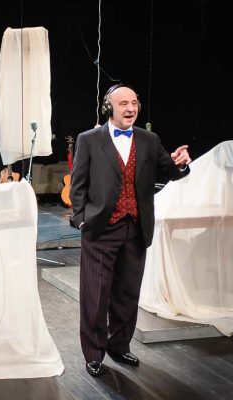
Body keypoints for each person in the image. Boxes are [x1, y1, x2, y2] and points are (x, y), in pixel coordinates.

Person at [69, 84, 191, 377]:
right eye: (123, 103)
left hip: (136, 229)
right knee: (95, 296)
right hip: (100, 229)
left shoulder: (149, 139)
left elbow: (168, 171)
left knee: (127, 294)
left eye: (134, 103)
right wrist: (81, 219)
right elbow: (78, 185)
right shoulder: (89, 140)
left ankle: (119, 346)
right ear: (108, 108)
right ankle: (94, 353)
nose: (131, 108)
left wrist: (179, 164)